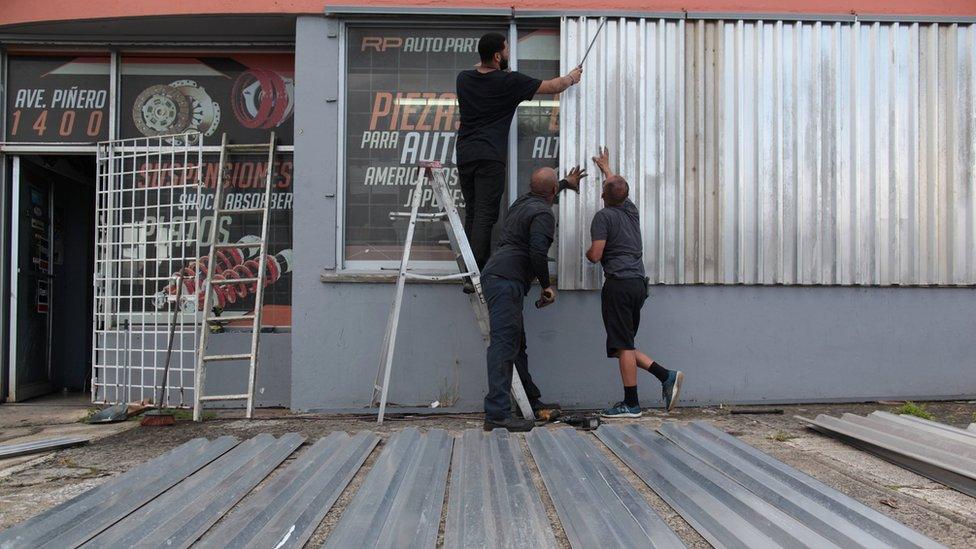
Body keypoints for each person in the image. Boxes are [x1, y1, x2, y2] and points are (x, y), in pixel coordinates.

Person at [456, 32, 583, 279]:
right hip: (490, 157)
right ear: (496, 55)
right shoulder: (509, 82)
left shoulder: (464, 79)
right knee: (485, 215)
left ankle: (467, 268)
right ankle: (476, 272)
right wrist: (572, 77)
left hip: (465, 154)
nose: (508, 54)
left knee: (472, 212)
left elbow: (480, 69)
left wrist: (495, 65)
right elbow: (553, 86)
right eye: (506, 50)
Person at [482, 165, 587, 431]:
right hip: (506, 281)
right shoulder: (543, 213)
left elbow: (544, 189)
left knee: (516, 345)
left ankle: (530, 402)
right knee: (504, 346)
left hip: (501, 277)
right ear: (552, 192)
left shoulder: (522, 202)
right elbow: (538, 252)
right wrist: (546, 286)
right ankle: (496, 414)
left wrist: (565, 182)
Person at [585, 147, 684, 418]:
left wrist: (588, 252)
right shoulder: (631, 210)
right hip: (638, 284)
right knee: (622, 345)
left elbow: (596, 255)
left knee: (624, 346)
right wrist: (606, 169)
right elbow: (617, 186)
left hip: (618, 285)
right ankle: (666, 376)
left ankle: (631, 404)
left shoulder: (603, 217)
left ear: (604, 195)